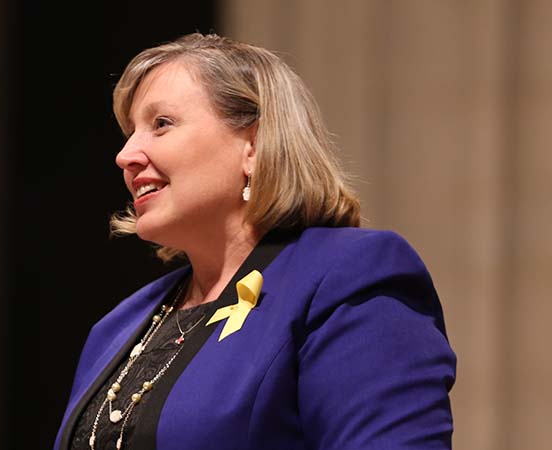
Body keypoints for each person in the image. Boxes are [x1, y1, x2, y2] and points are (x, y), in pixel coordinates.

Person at [54, 34, 455, 450]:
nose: (125, 155)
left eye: (161, 124)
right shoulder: (117, 327)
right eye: (130, 132)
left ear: (254, 146)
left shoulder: (348, 276)